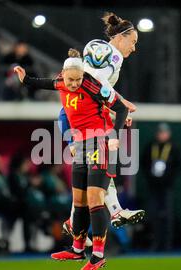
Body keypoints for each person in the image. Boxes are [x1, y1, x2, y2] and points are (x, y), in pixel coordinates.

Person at [14, 48, 128, 270]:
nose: (74, 84)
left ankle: (97, 255)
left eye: (78, 79)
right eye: (70, 80)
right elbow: (45, 82)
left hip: (100, 142)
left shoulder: (93, 85)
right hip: (80, 145)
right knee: (79, 200)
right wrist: (25, 79)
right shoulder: (61, 82)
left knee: (96, 198)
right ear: (63, 76)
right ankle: (77, 250)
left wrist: (115, 135)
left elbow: (121, 108)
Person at [60, 12, 145, 242]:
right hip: (78, 120)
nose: (134, 48)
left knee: (95, 173)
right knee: (98, 168)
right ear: (121, 37)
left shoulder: (103, 50)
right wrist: (120, 104)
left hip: (74, 116)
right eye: (133, 42)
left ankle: (79, 222)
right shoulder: (112, 55)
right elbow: (95, 81)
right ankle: (112, 212)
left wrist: (114, 107)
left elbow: (91, 86)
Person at [141, 123, 181, 251]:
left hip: (167, 187)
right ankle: (155, 242)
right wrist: (151, 178)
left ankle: (167, 244)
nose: (161, 135)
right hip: (153, 186)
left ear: (168, 134)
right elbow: (144, 164)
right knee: (153, 215)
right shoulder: (151, 146)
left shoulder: (174, 147)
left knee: (167, 215)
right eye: (160, 132)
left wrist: (168, 179)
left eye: (164, 133)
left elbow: (179, 166)